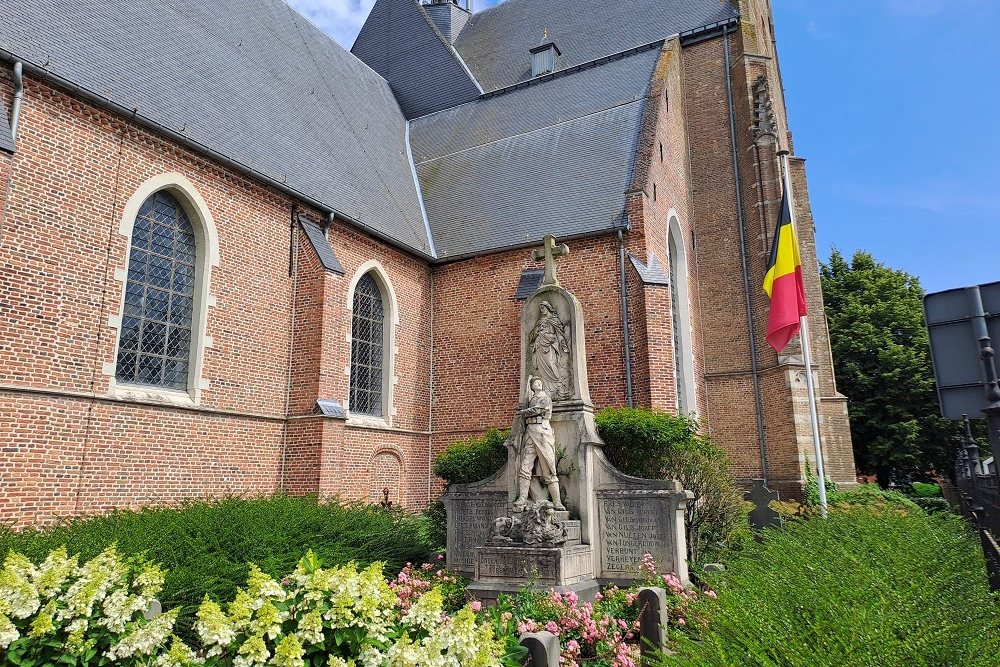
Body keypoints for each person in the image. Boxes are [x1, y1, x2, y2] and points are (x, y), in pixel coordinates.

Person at [513, 376, 566, 512]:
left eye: (540, 382)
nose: (539, 384)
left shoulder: (545, 398)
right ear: (532, 386)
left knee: (548, 467)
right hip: (530, 432)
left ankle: (557, 502)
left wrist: (522, 412)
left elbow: (537, 410)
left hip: (542, 432)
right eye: (536, 383)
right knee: (525, 467)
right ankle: (523, 498)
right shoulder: (530, 400)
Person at [529, 301, 570, 399]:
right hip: (539, 346)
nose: (541, 310)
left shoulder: (553, 320)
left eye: (543, 308)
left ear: (548, 308)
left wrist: (563, 344)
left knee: (551, 365)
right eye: (540, 309)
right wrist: (537, 331)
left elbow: (559, 333)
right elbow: (532, 336)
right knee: (542, 369)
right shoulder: (539, 321)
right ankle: (547, 390)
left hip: (550, 346)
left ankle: (557, 388)